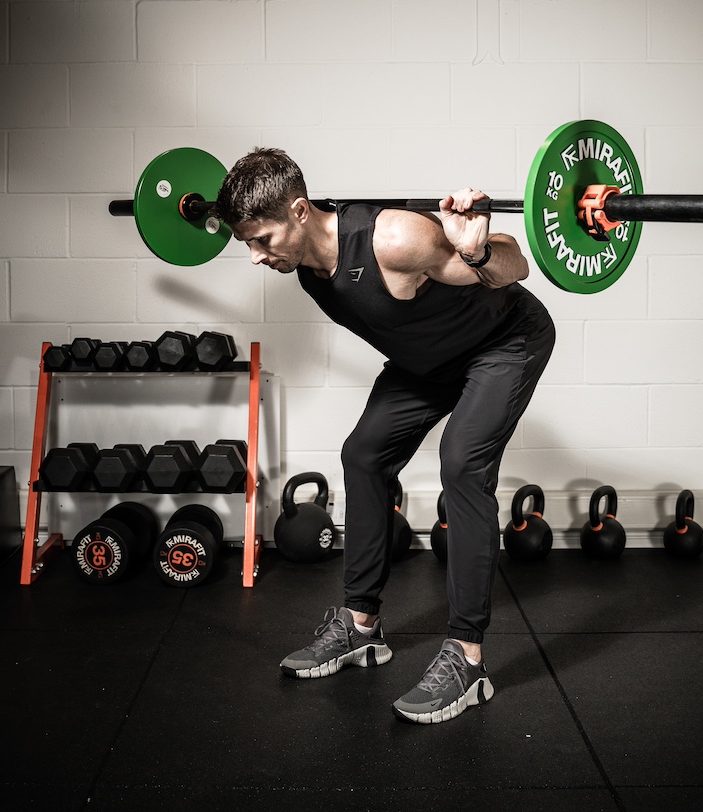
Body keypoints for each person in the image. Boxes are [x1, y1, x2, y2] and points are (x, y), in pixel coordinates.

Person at [215, 148, 555, 724]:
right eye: (247, 242)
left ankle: (468, 660)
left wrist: (474, 247)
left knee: (462, 462)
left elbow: (515, 266)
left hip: (502, 343)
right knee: (364, 455)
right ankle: (361, 627)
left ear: (299, 210)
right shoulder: (304, 267)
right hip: (428, 362)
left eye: (262, 239)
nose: (254, 256)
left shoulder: (394, 239)